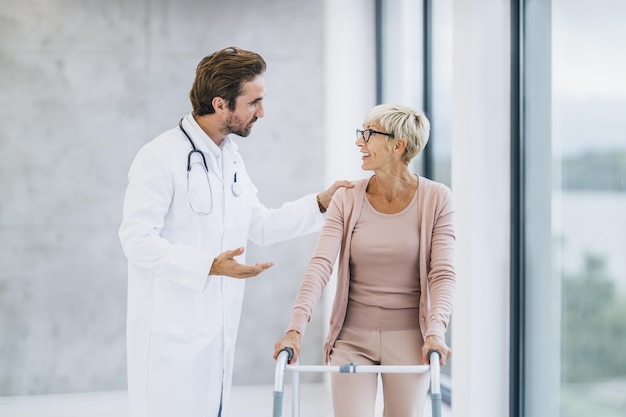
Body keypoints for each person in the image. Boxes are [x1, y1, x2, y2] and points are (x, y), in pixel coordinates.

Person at [118, 46, 352, 417]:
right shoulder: (160, 156)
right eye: (254, 102)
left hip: (216, 336)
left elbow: (258, 224)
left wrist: (321, 203)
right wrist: (208, 265)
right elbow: (136, 239)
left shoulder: (230, 157)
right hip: (171, 337)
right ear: (220, 104)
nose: (262, 112)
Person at [273, 104, 455, 417]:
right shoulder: (347, 197)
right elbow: (320, 266)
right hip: (351, 338)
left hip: (411, 339)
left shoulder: (437, 198)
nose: (360, 142)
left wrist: (436, 332)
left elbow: (442, 274)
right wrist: (295, 329)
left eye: (368, 134)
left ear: (398, 145)